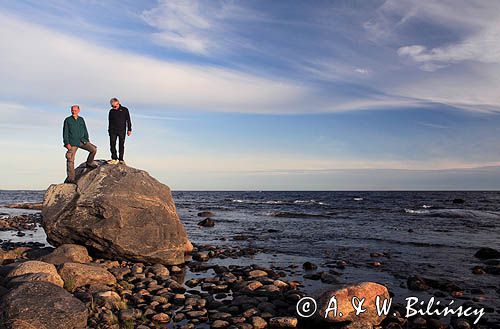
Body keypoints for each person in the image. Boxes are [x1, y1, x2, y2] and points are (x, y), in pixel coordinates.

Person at [63, 105, 98, 183]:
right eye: (72, 110)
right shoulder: (67, 120)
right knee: (70, 159)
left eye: (75, 110)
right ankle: (71, 179)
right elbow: (65, 132)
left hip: (82, 141)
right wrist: (66, 143)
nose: (73, 112)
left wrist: (87, 139)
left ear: (78, 110)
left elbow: (85, 130)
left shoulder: (81, 119)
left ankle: (89, 163)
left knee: (93, 149)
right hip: (72, 143)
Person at [107, 97, 132, 165]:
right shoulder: (111, 111)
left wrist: (129, 129)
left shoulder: (125, 109)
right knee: (112, 144)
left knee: (121, 144)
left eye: (114, 106)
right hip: (112, 131)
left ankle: (121, 159)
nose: (113, 107)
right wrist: (109, 130)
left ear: (118, 103)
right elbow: (109, 121)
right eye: (112, 106)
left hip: (122, 130)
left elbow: (128, 120)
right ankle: (114, 158)